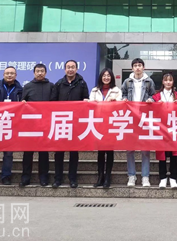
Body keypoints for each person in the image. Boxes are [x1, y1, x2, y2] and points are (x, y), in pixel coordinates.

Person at [20, 63, 58, 187]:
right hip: (30, 125)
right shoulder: (27, 86)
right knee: (28, 153)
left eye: (42, 71)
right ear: (34, 73)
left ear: (46, 73)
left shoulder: (51, 86)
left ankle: (44, 177)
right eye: (37, 71)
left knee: (43, 153)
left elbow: (55, 103)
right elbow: (22, 103)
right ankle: (25, 177)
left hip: (45, 124)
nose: (40, 73)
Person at [54, 60, 89, 188]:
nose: (70, 69)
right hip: (61, 122)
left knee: (74, 153)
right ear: (65, 69)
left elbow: (86, 100)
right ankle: (58, 178)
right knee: (59, 153)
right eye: (68, 67)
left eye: (72, 67)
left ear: (76, 69)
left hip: (75, 123)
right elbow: (52, 102)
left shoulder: (82, 83)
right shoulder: (59, 83)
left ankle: (72, 178)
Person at [121, 58, 156, 187]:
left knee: (145, 149)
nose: (137, 67)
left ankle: (145, 177)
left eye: (139, 65)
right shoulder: (127, 81)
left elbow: (153, 95)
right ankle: (132, 176)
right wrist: (124, 99)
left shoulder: (149, 81)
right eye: (135, 65)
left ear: (143, 67)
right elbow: (123, 94)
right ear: (132, 68)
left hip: (144, 118)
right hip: (130, 118)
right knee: (130, 149)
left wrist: (151, 100)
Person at [89, 68, 122, 189]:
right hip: (98, 123)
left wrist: (115, 101)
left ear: (111, 77)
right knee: (100, 152)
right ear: (101, 77)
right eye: (104, 75)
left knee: (110, 151)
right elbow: (90, 105)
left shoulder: (116, 90)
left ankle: (108, 177)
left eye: (108, 75)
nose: (106, 78)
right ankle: (100, 177)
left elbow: (120, 105)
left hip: (111, 123)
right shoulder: (94, 90)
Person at [151, 73, 177, 189]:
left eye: (170, 80)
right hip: (161, 128)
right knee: (162, 155)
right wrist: (154, 104)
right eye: (166, 80)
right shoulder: (157, 96)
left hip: (174, 127)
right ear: (163, 82)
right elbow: (150, 107)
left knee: (174, 155)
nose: (168, 82)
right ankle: (163, 178)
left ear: (173, 82)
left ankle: (173, 178)